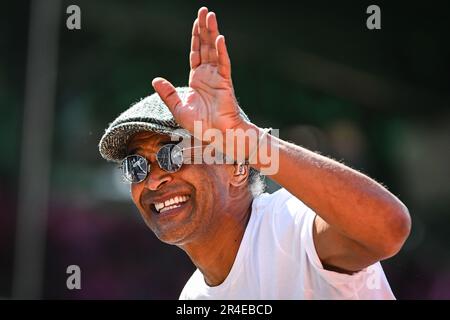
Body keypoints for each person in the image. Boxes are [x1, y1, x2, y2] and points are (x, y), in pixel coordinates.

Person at [98, 7, 411, 299]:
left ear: (236, 167)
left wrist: (245, 140)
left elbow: (388, 228)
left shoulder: (288, 224)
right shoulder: (194, 297)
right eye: (136, 165)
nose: (153, 181)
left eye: (174, 154)